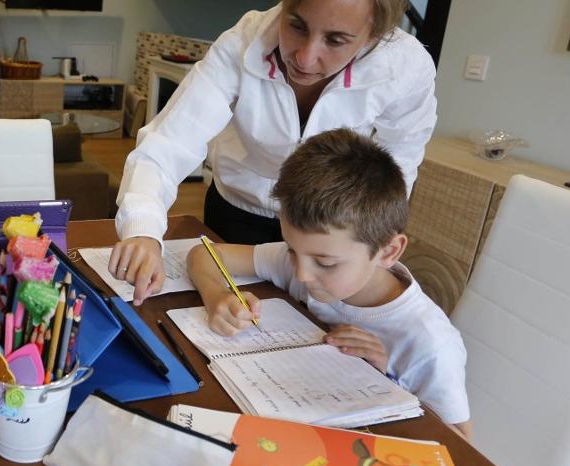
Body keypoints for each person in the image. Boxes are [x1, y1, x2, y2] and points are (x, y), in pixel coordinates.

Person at [111, 0, 437, 303]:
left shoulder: (405, 67)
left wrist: (363, 250)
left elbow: (398, 166)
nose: (304, 56)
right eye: (296, 25)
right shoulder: (241, 43)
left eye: (335, 40)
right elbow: (168, 144)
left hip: (332, 237)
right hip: (238, 215)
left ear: (374, 36)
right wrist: (143, 229)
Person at [185, 129, 470, 438]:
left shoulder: (430, 343)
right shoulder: (303, 261)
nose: (303, 274)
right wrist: (216, 296)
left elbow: (461, 443)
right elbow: (204, 254)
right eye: (292, 250)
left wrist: (389, 382)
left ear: (387, 251)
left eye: (326, 263)